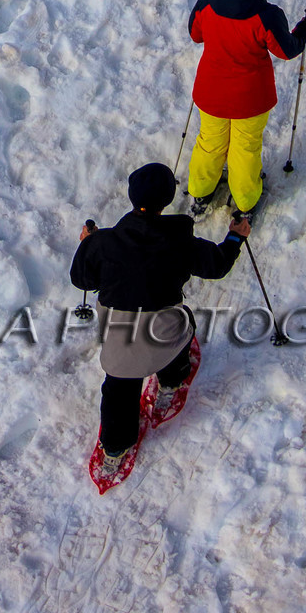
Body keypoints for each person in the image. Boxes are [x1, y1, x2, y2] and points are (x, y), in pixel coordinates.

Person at [70, 161, 245, 492]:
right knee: (182, 325)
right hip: (164, 338)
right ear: (167, 200)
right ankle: (172, 381)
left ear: (132, 197)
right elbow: (218, 264)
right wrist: (235, 237)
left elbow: (82, 278)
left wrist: (87, 244)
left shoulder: (104, 243)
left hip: (119, 350)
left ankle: (115, 448)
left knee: (118, 394)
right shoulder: (181, 243)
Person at [185, 0, 306, 216]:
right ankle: (244, 202)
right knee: (245, 148)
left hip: (211, 93)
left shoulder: (206, 2)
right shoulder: (265, 14)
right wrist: (304, 30)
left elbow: (195, 34)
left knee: (209, 142)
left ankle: (200, 192)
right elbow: (286, 49)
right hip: (250, 99)